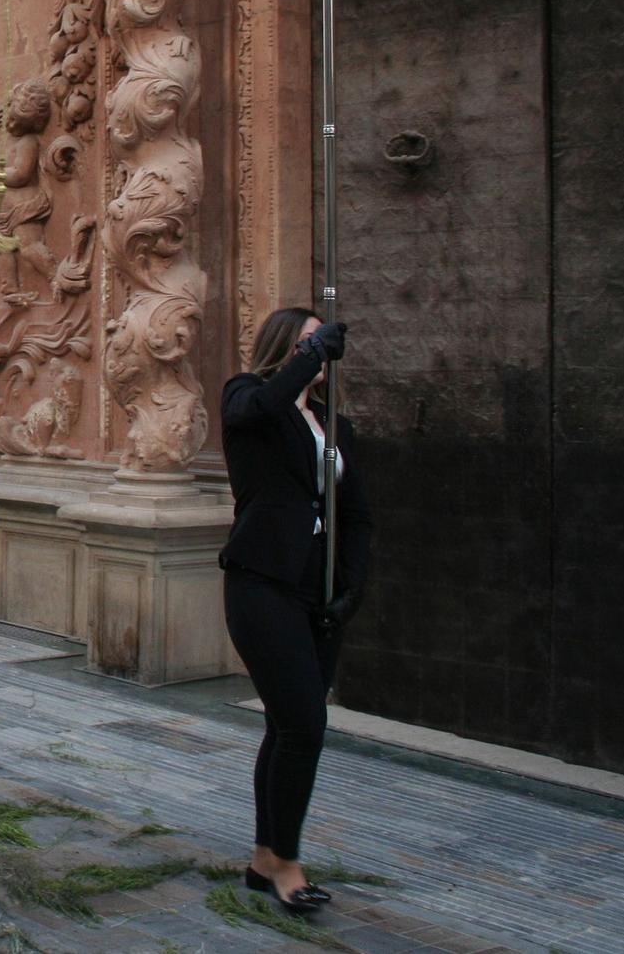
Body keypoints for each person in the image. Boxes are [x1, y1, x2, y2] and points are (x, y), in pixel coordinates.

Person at [218, 308, 372, 916]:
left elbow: (357, 515)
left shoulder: (334, 426)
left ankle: (264, 858)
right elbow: (256, 410)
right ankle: (287, 862)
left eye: (326, 341)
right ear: (285, 346)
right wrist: (308, 359)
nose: (322, 350)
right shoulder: (249, 397)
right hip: (261, 585)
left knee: (287, 727)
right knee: (305, 725)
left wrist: (351, 586)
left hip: (318, 594)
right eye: (310, 341)